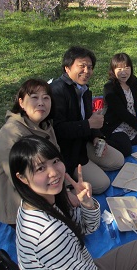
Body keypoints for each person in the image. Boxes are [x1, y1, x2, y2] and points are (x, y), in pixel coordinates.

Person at [10, 135, 137, 270]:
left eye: (55, 161)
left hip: (81, 263)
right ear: (22, 178)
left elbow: (88, 228)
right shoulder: (48, 234)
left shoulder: (36, 201)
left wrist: (87, 203)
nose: (53, 172)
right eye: (40, 168)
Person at [50, 46, 124, 195]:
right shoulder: (57, 91)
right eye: (81, 66)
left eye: (90, 67)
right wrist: (89, 124)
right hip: (68, 151)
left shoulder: (84, 90)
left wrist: (96, 136)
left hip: (83, 142)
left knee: (119, 160)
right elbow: (58, 130)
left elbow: (90, 119)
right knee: (102, 184)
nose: (87, 71)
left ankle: (90, 167)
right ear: (67, 68)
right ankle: (70, 177)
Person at [0, 78, 58, 225]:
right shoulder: (11, 135)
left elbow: (56, 159)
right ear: (21, 102)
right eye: (34, 98)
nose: (41, 102)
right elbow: (22, 183)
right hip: (19, 206)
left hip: (45, 186)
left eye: (46, 98)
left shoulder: (44, 125)